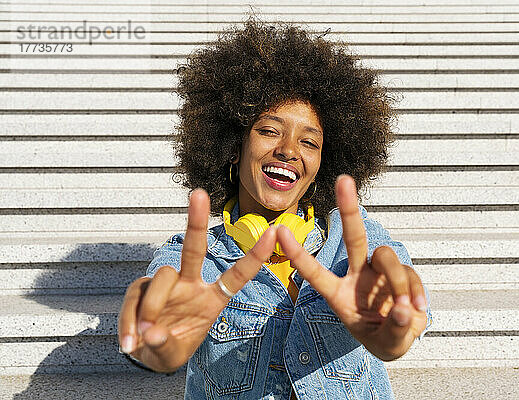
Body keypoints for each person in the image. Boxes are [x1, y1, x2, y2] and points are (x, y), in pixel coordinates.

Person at [118, 19, 433, 400]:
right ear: (233, 147)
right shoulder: (195, 259)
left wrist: (392, 335)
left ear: (321, 168)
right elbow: (160, 324)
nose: (288, 150)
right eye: (269, 131)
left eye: (310, 142)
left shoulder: (355, 246)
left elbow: (399, 327)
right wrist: (158, 346)